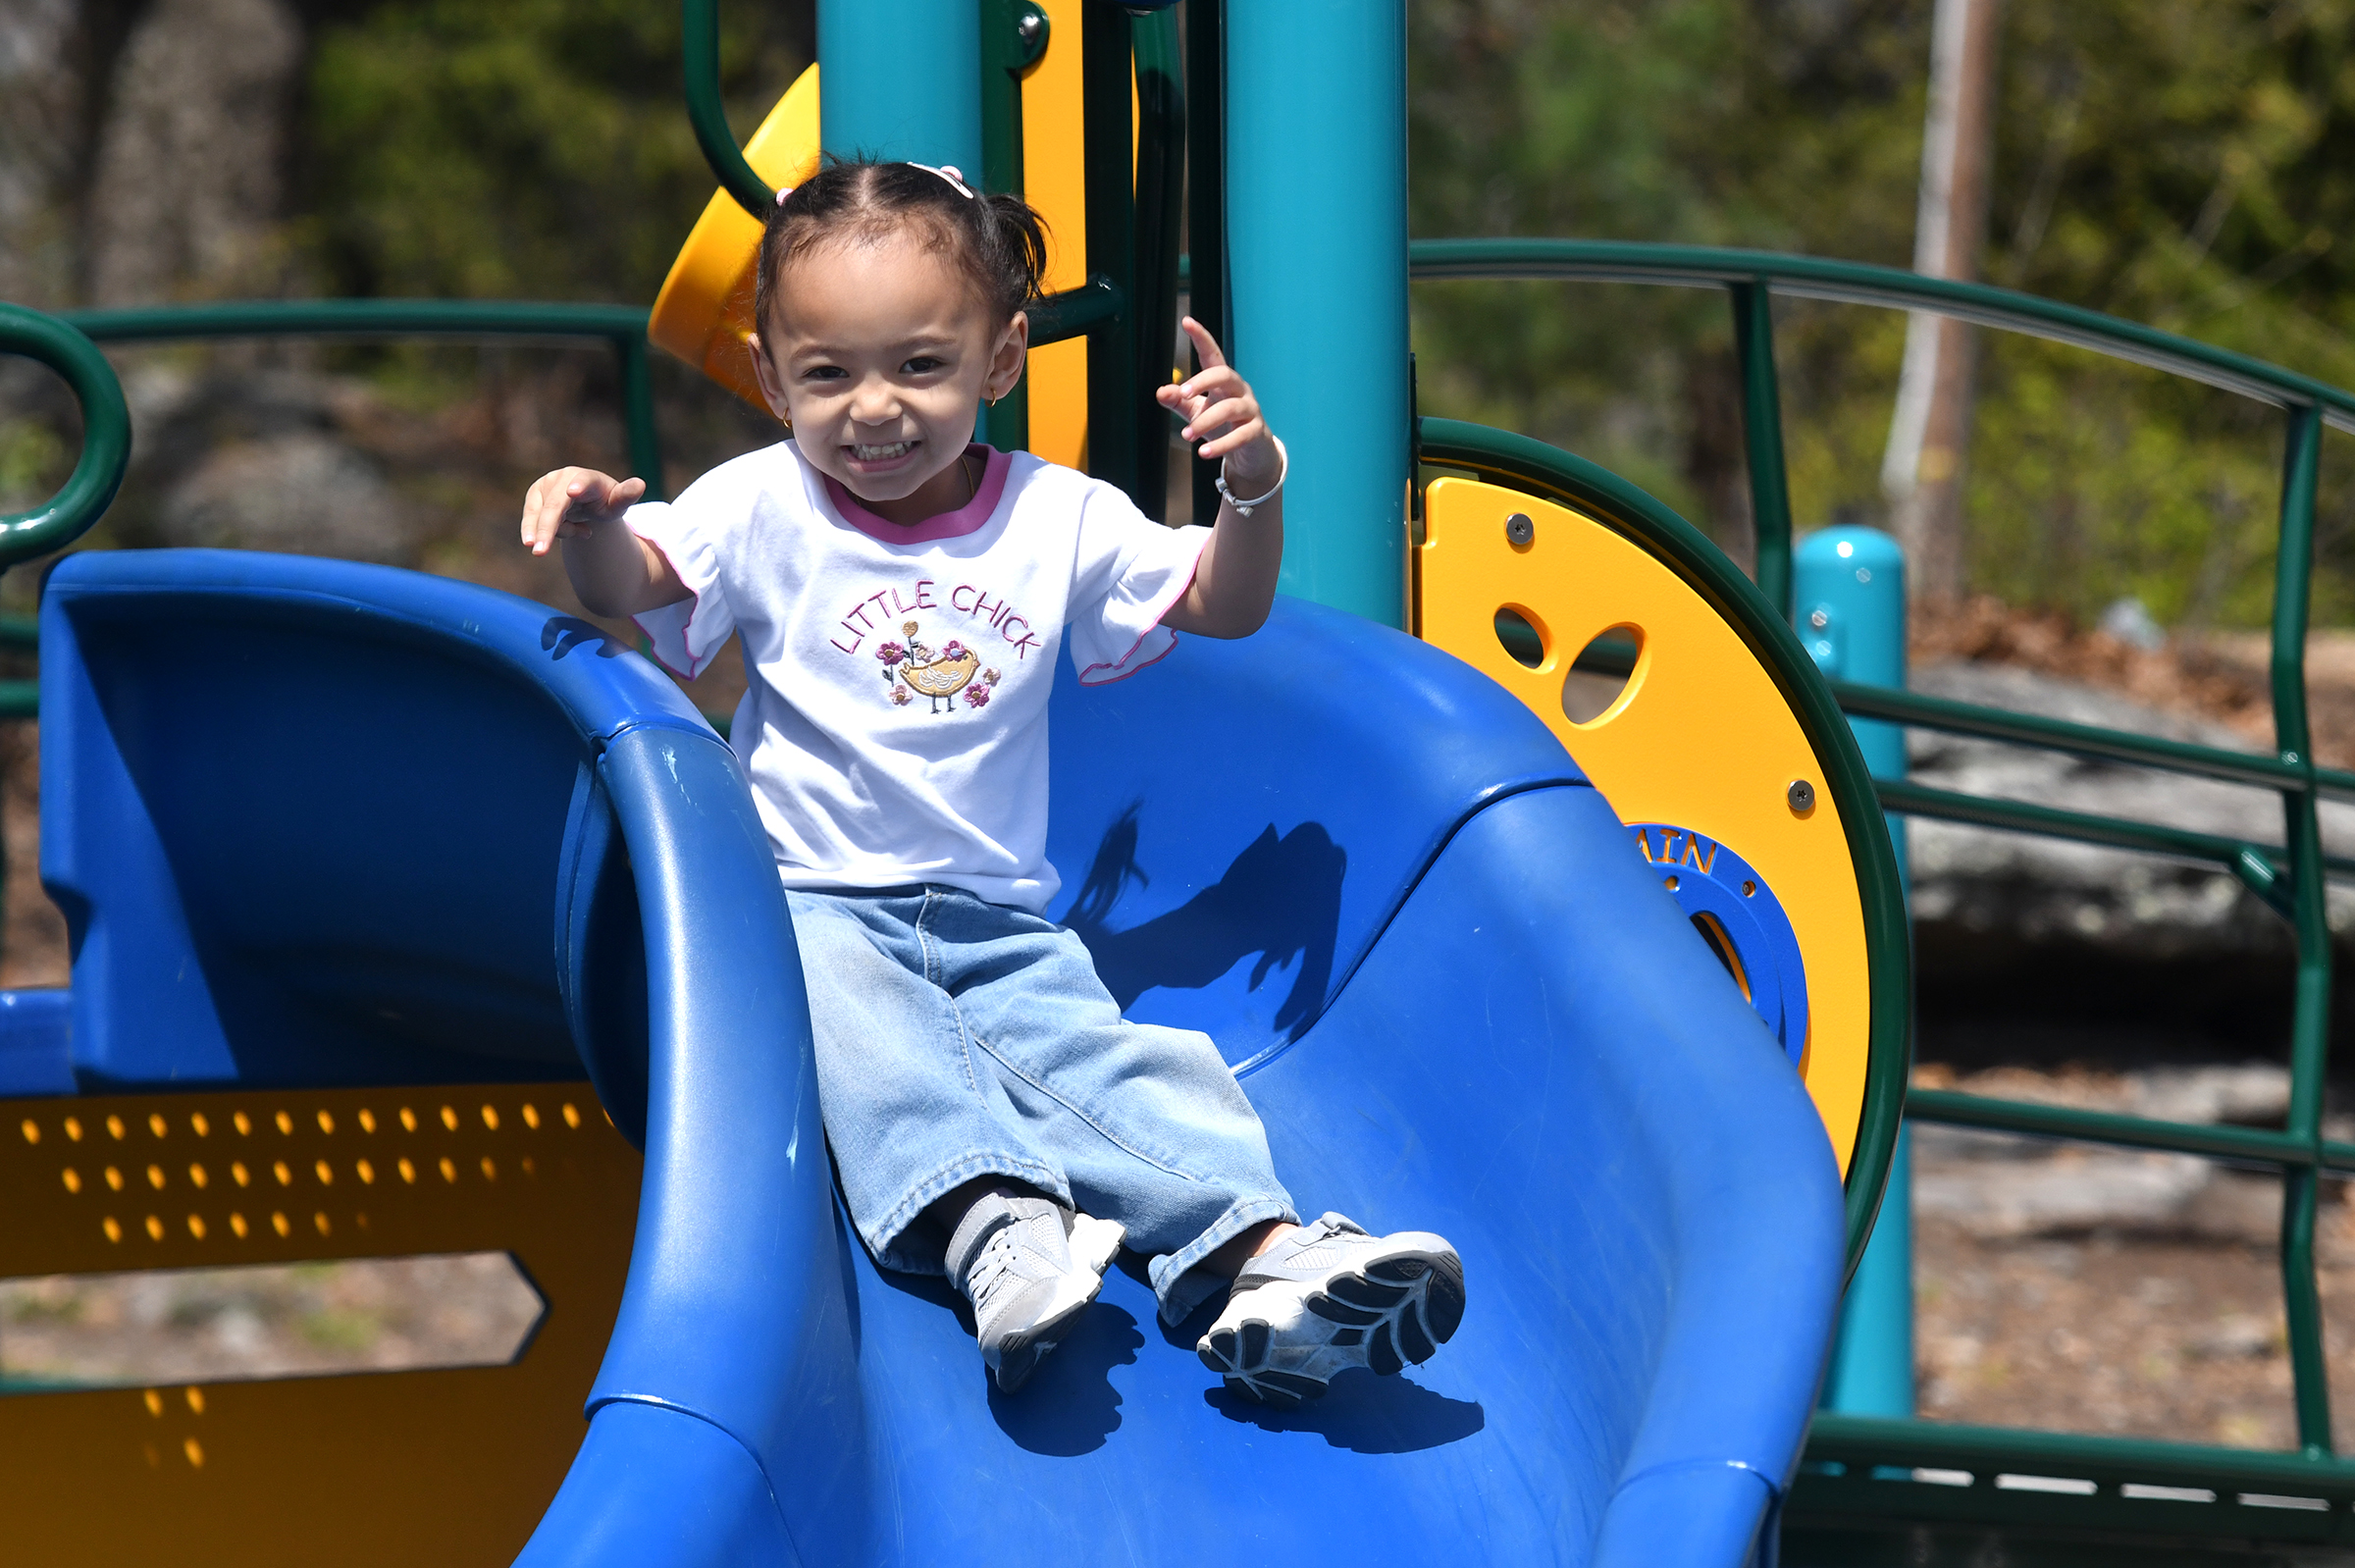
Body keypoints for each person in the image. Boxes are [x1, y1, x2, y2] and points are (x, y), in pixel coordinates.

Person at [519, 158, 1461, 1405]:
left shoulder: (1054, 516)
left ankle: (1260, 1254)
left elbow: (1227, 607)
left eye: (920, 365)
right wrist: (588, 522)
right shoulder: (759, 503)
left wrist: (1251, 481)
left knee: (1116, 1060)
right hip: (809, 897)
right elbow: (628, 582)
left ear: (1001, 357)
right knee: (863, 1041)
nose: (874, 409)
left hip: (1000, 916)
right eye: (827, 373)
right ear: (768, 376)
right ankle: (995, 1222)